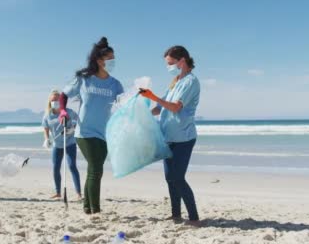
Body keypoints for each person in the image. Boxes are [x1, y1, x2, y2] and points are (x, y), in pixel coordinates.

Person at [58, 37, 124, 215]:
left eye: (113, 59)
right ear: (99, 61)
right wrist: (63, 111)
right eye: (109, 59)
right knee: (96, 169)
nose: (112, 62)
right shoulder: (84, 79)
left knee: (93, 170)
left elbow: (123, 106)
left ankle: (87, 207)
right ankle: (95, 209)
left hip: (105, 133)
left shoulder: (115, 85)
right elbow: (63, 95)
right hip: (84, 132)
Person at [140, 46, 201, 225]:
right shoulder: (176, 80)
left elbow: (175, 107)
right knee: (169, 178)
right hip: (168, 137)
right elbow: (160, 108)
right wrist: (143, 112)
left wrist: (153, 96)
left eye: (170, 63)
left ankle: (194, 218)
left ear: (181, 60)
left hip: (183, 138)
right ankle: (176, 214)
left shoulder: (191, 82)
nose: (169, 67)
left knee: (177, 177)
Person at [42, 89, 82, 201]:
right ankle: (58, 193)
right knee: (55, 168)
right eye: (53, 100)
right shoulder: (47, 116)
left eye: (57, 100)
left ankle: (79, 194)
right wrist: (46, 139)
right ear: (50, 102)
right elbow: (45, 127)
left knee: (72, 166)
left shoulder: (68, 112)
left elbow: (78, 121)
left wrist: (72, 128)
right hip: (57, 144)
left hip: (69, 143)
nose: (55, 102)